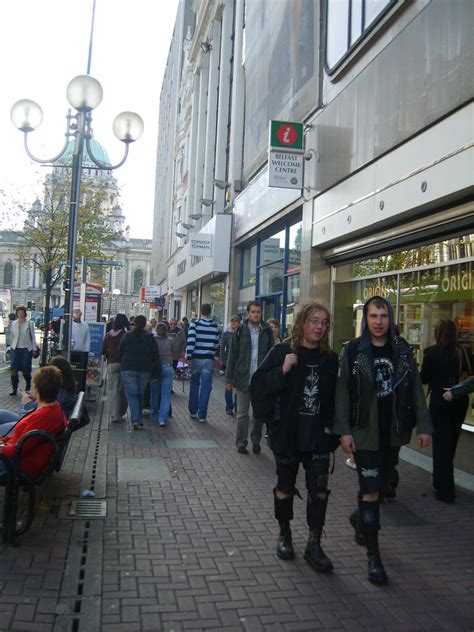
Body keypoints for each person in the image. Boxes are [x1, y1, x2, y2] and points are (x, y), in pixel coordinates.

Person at [335, 295, 431, 585]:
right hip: (364, 434)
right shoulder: (353, 351)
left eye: (383, 316)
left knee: (381, 486)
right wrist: (344, 430)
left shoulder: (402, 350)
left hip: (394, 433)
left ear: (390, 318)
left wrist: (424, 425)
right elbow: (342, 392)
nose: (379, 322)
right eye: (373, 316)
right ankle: (374, 557)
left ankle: (359, 517)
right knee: (371, 491)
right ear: (366, 319)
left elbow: (415, 388)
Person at [251, 302, 339, 572]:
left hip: (317, 438)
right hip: (288, 435)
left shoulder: (330, 359)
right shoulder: (282, 352)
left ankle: (314, 543)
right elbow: (258, 386)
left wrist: (331, 429)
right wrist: (283, 371)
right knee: (284, 487)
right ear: (302, 322)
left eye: (324, 322)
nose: (319, 327)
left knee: (320, 491)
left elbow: (337, 398)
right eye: (314, 321)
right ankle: (284, 534)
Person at [420, 320, 471, 504]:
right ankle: (444, 483)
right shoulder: (464, 352)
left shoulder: (431, 353)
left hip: (439, 401)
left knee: (441, 445)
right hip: (459, 401)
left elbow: (424, 377)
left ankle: (444, 489)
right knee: (451, 444)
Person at [0, 366, 67, 478]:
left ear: (37, 389)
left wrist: (2, 447)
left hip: (18, 464)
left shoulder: (43, 416)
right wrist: (3, 442)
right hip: (18, 455)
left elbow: (19, 450)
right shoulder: (53, 407)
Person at [226, 300, 274, 454]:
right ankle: (241, 442)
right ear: (248, 313)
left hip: (260, 379)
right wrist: (229, 379)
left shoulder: (266, 330)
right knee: (242, 413)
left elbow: (272, 355)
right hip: (243, 377)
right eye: (253, 312)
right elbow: (232, 355)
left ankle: (255, 440)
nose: (256, 314)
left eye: (258, 312)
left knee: (259, 414)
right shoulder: (240, 330)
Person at [119, 315, 161, 429]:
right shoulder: (149, 338)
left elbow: (120, 351)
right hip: (144, 370)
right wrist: (157, 372)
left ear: (135, 323)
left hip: (128, 368)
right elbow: (155, 355)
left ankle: (136, 419)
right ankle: (137, 419)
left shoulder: (128, 336)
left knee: (132, 395)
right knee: (140, 394)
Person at [185, 304, 220, 423]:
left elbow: (191, 341)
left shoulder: (194, 324)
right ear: (210, 312)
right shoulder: (215, 326)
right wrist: (210, 351)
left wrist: (189, 356)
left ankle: (193, 411)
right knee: (206, 386)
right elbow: (216, 344)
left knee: (194, 384)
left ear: (200, 312)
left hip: (196, 358)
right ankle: (203, 415)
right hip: (208, 359)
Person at [101, 313, 129, 423]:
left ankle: (114, 415)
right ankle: (122, 412)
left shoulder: (108, 335)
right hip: (124, 364)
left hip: (112, 364)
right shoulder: (126, 334)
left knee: (113, 390)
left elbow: (103, 350)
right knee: (124, 390)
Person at [9, 306, 39, 396]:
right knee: (14, 369)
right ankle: (14, 389)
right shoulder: (14, 323)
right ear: (17, 314)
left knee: (26, 369)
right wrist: (10, 346)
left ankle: (28, 385)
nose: (20, 314)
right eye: (19, 312)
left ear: (24, 314)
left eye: (22, 312)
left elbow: (33, 337)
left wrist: (34, 349)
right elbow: (12, 336)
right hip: (15, 348)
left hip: (26, 349)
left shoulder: (30, 323)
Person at [150, 323, 174, 425]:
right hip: (168, 367)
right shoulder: (170, 341)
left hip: (156, 368)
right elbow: (174, 353)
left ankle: (154, 414)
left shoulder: (153, 340)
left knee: (154, 392)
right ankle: (162, 418)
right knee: (166, 394)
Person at [220, 315, 241, 415]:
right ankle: (229, 407)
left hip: (239, 364)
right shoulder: (225, 334)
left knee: (239, 387)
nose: (234, 323)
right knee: (229, 385)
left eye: (236, 321)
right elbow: (222, 349)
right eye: (232, 321)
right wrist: (223, 363)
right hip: (229, 363)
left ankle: (238, 406)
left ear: (239, 323)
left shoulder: (241, 334)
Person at [71, 308, 90, 392]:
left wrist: (86, 351)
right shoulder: (69, 325)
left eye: (78, 313)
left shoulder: (85, 326)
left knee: (80, 373)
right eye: (75, 313)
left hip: (82, 352)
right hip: (72, 351)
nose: (77, 315)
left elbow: (87, 339)